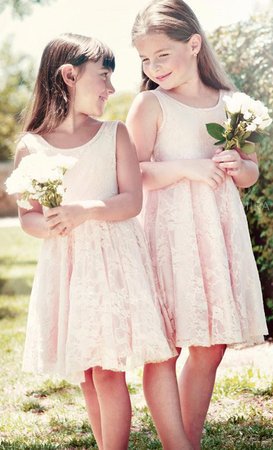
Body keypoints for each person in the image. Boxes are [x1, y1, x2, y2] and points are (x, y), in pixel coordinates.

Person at [15, 33, 179, 450]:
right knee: (89, 371)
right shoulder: (31, 147)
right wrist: (49, 225)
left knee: (107, 370)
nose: (111, 88)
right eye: (103, 77)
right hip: (69, 268)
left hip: (113, 265)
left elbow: (131, 201)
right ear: (69, 76)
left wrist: (85, 211)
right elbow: (28, 217)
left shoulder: (114, 134)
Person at [126, 1, 269, 448]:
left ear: (193, 44)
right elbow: (131, 176)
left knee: (210, 346)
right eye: (145, 59)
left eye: (161, 56)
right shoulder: (150, 103)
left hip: (217, 233)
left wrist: (236, 164)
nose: (153, 67)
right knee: (165, 346)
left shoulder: (232, 104)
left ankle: (186, 440)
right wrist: (187, 168)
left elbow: (250, 173)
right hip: (167, 237)